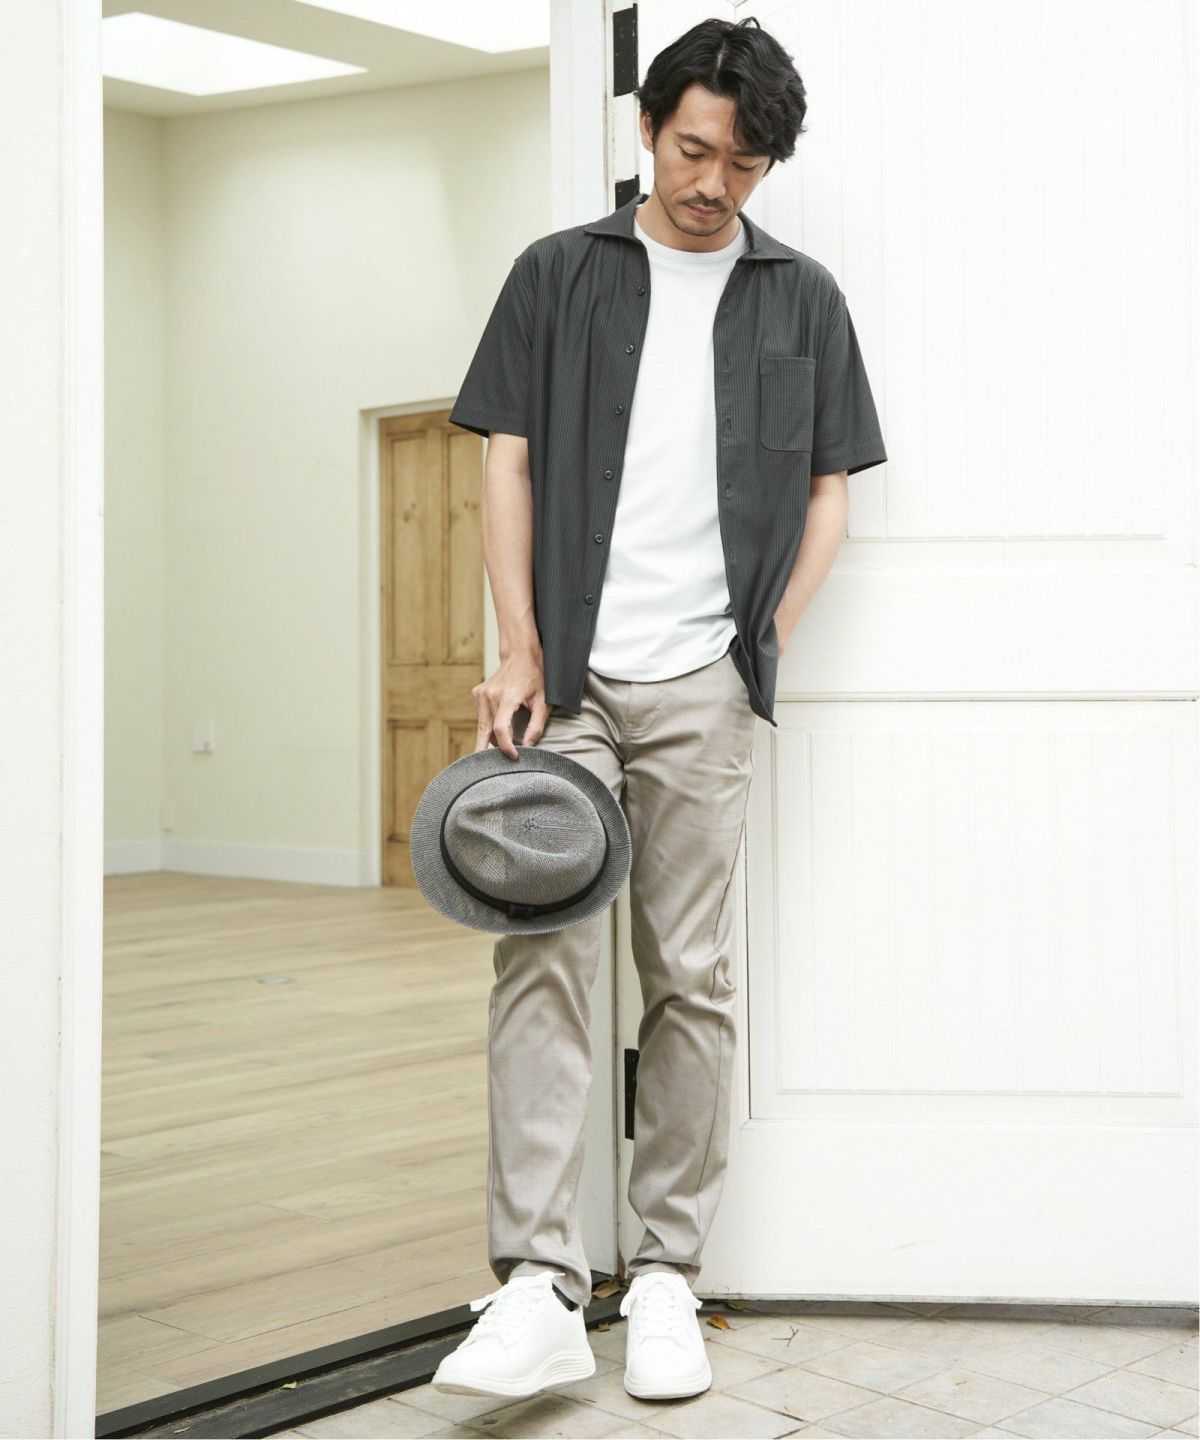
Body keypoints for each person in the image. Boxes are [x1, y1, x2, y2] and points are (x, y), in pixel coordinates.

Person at [433, 15, 887, 1405]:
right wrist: (519, 646)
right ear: (647, 130)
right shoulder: (557, 275)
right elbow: (507, 462)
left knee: (691, 976)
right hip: (566, 677)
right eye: (694, 150)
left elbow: (828, 490)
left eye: (744, 164)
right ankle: (538, 1284)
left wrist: (760, 646)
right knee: (543, 958)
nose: (712, 184)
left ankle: (668, 1275)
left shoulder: (802, 299)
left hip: (704, 684)